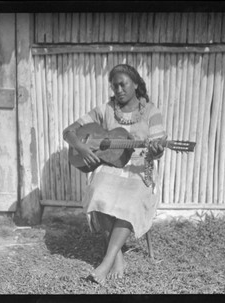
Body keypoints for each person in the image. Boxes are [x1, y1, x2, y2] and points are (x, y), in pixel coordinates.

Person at [63, 64, 167, 285]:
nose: (118, 89)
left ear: (136, 84)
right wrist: (80, 148)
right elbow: (69, 131)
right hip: (111, 164)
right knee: (97, 191)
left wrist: (156, 151)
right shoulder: (105, 109)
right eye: (114, 85)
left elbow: (157, 149)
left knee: (131, 199)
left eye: (123, 84)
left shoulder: (151, 111)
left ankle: (106, 261)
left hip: (140, 168)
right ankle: (118, 257)